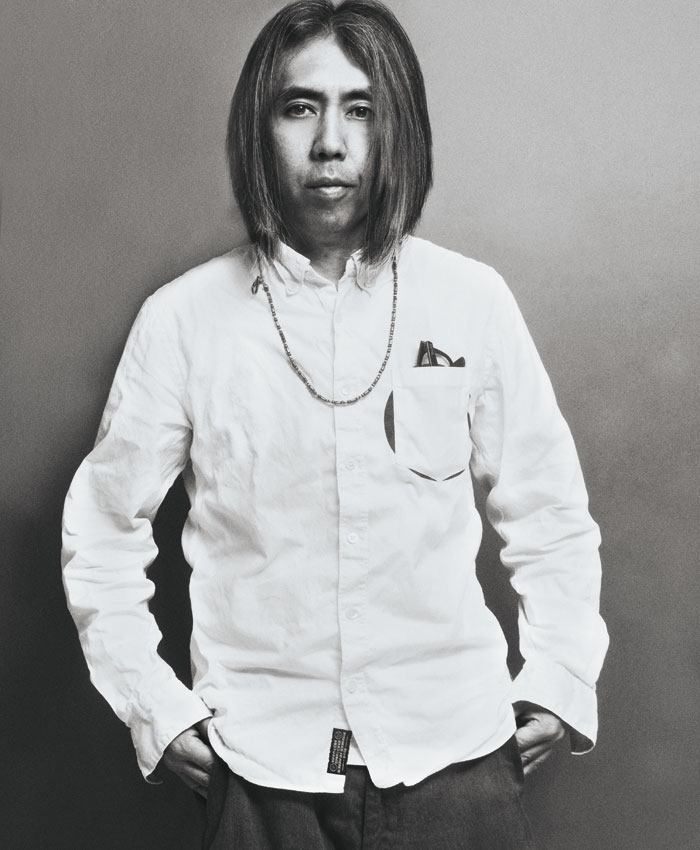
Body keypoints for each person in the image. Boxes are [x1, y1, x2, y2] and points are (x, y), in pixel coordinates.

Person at [61, 1, 609, 847]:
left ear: (397, 130)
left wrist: (561, 677)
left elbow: (550, 514)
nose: (330, 142)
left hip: (457, 766)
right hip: (261, 776)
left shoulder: (470, 300)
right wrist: (153, 709)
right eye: (300, 106)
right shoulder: (184, 320)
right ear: (260, 128)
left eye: (361, 108)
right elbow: (102, 534)